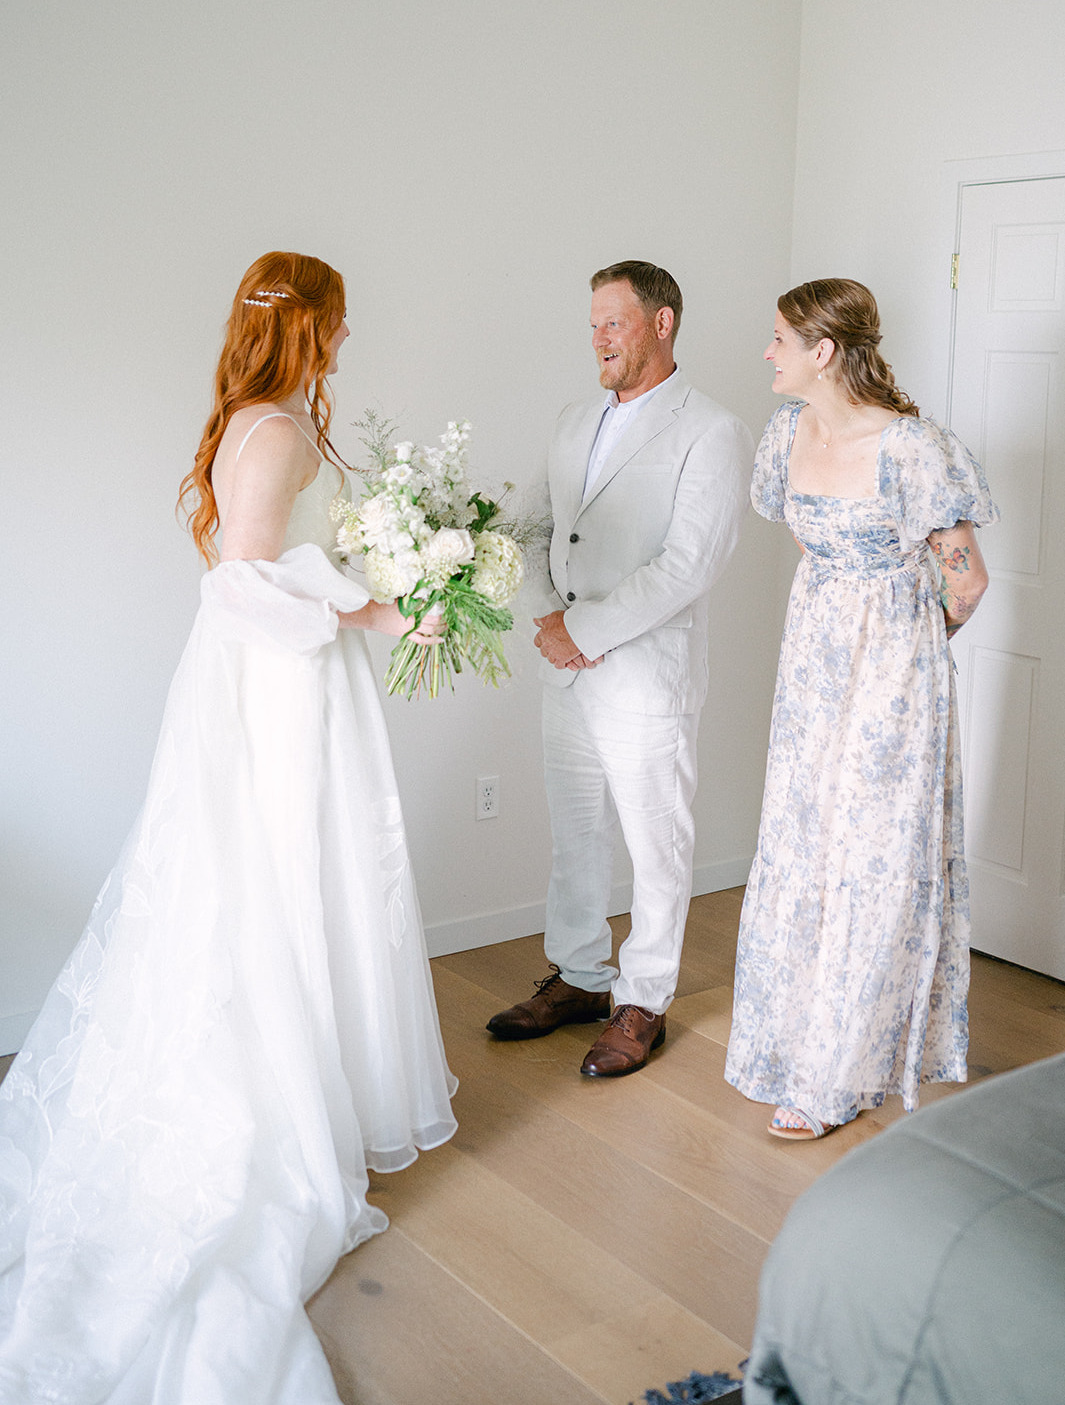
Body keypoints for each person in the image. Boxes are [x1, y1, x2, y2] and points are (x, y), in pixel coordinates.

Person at [0, 252, 457, 1402]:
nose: (349, 342)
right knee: (284, 876)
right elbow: (244, 585)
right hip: (274, 686)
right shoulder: (283, 434)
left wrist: (364, 587)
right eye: (341, 323)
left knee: (263, 878)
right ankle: (277, 1111)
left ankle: (303, 1076)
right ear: (309, 327)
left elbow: (252, 566)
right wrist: (372, 600)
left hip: (256, 679)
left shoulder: (251, 420)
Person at [724, 278, 997, 1140]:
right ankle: (787, 1047)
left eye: (778, 338)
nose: (765, 352)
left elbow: (967, 580)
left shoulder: (913, 449)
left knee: (872, 856)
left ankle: (841, 1071)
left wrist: (907, 659)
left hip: (893, 675)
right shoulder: (784, 434)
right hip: (811, 666)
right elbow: (809, 544)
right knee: (805, 845)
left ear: (823, 351)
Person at [487, 261, 753, 1076]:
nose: (598, 337)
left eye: (614, 321)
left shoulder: (710, 430)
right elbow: (532, 527)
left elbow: (688, 565)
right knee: (576, 834)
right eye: (593, 323)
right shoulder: (574, 420)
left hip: (644, 671)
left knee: (655, 838)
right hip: (564, 666)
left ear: (661, 323)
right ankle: (577, 976)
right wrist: (546, 619)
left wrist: (585, 630)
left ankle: (643, 998)